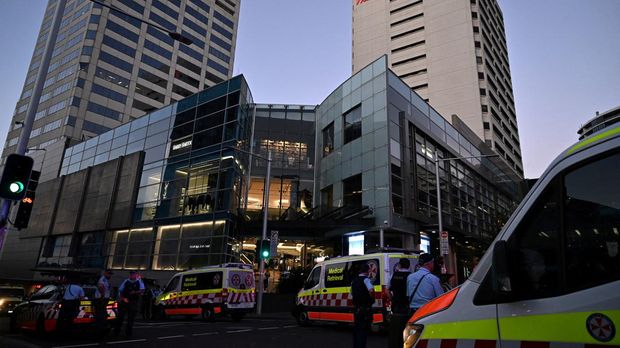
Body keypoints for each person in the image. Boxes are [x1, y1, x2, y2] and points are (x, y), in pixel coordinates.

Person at [388, 258, 412, 348]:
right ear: (409, 266)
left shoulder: (393, 275)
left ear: (399, 265)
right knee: (407, 328)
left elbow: (387, 290)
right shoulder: (411, 276)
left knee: (396, 329)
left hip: (396, 306)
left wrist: (392, 299)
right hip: (407, 305)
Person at [351, 263, 375, 348]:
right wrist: (372, 299)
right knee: (363, 330)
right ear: (368, 271)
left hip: (356, 308)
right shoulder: (366, 280)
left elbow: (352, 294)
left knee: (357, 329)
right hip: (365, 308)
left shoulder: (354, 280)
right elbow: (371, 290)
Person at [114, 271, 144, 337]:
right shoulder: (126, 281)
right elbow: (120, 290)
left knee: (131, 318)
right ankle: (116, 332)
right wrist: (123, 298)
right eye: (131, 274)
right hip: (125, 301)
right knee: (120, 317)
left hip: (133, 302)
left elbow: (142, 290)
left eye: (133, 274)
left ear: (136, 275)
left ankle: (128, 333)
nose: (132, 275)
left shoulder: (139, 281)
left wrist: (135, 292)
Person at [94, 269, 113, 335]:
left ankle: (101, 329)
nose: (110, 275)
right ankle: (99, 331)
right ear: (105, 273)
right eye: (108, 273)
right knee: (101, 315)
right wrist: (102, 295)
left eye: (110, 274)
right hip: (101, 299)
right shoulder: (103, 279)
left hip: (103, 299)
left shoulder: (106, 280)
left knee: (102, 314)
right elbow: (100, 287)